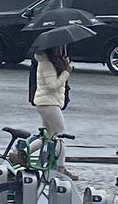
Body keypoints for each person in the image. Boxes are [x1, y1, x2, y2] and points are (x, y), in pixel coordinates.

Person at [28, 45, 75, 179]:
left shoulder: (51, 62)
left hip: (48, 102)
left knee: (47, 136)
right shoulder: (46, 63)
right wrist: (66, 72)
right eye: (58, 48)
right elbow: (52, 86)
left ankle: (24, 153)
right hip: (48, 103)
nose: (60, 50)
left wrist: (64, 65)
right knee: (60, 136)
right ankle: (61, 168)